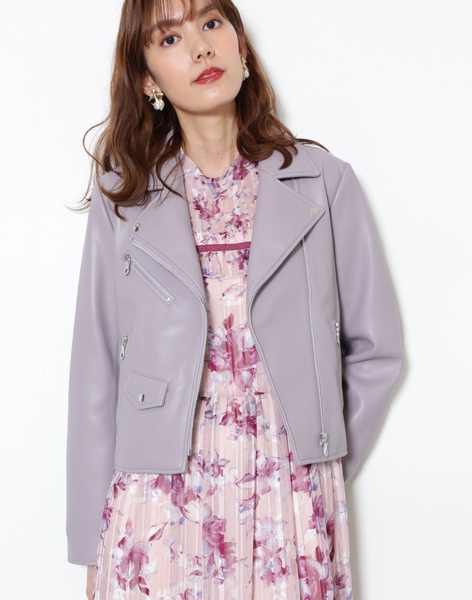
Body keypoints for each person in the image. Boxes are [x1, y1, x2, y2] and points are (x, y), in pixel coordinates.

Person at [66, 0, 404, 598]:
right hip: (156, 502)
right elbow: (96, 370)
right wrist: (89, 543)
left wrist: (314, 462)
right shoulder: (124, 199)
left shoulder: (324, 183)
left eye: (211, 23)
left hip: (287, 502)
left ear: (240, 44)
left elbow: (377, 351)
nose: (200, 46)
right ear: (147, 79)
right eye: (169, 39)